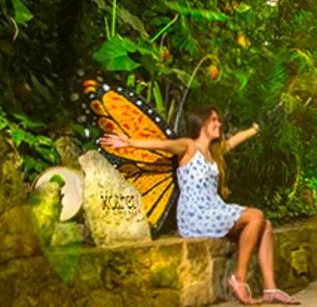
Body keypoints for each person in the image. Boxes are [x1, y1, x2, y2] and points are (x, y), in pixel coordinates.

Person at [101, 107, 299, 305]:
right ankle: (239, 280)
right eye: (214, 120)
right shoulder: (189, 146)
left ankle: (270, 289)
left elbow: (234, 140)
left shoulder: (214, 152)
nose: (219, 124)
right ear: (201, 122)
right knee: (256, 216)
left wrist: (256, 129)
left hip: (214, 209)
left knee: (266, 225)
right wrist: (129, 142)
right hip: (195, 213)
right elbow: (163, 144)